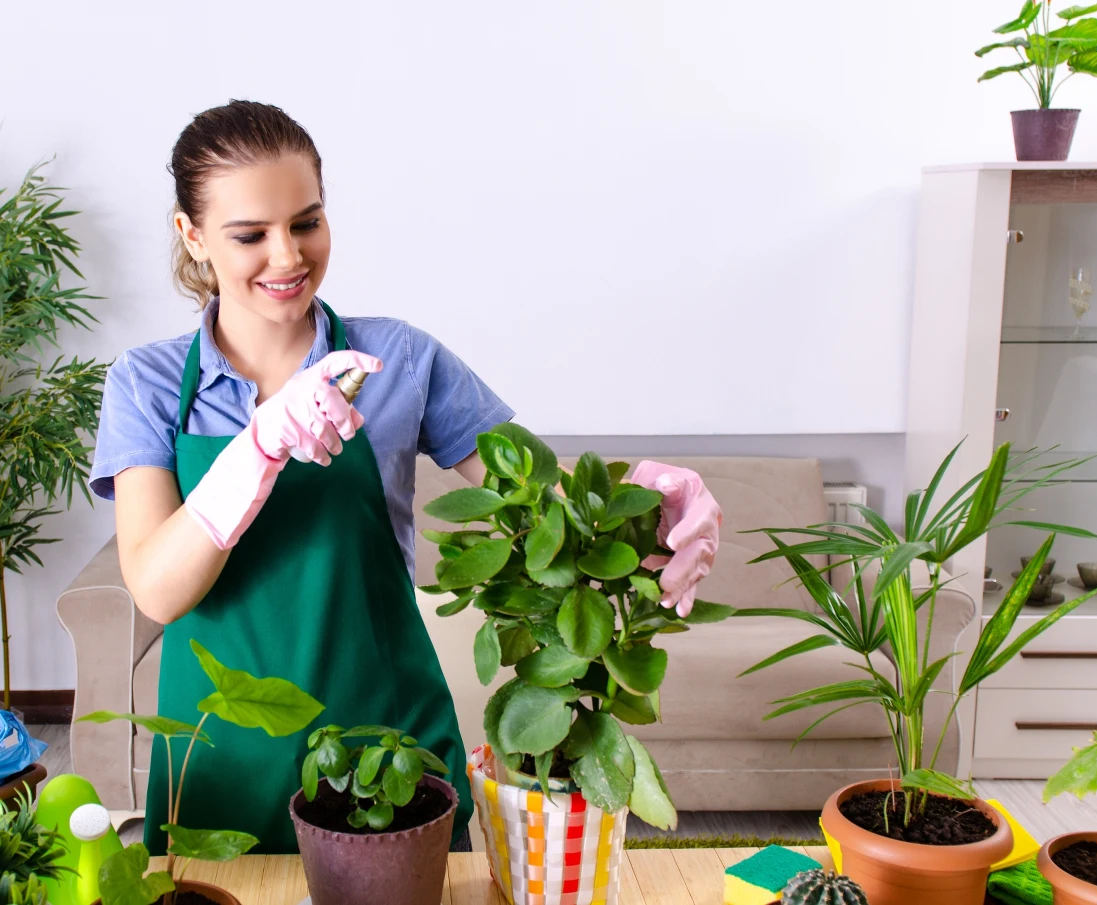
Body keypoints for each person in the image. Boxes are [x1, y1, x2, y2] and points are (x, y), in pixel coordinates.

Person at [88, 100, 722, 855]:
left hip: (389, 754)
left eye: (307, 222)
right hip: (220, 763)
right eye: (251, 234)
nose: (288, 256)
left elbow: (541, 505)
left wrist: (647, 512)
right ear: (192, 235)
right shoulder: (150, 384)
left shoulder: (398, 362)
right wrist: (256, 448)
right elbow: (156, 586)